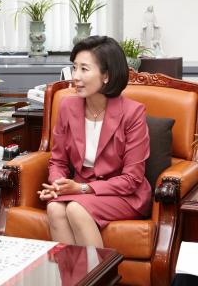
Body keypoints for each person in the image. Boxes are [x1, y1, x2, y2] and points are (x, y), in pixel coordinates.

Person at [38, 35, 151, 248]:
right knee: (54, 208)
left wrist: (80, 189)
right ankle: (72, 280)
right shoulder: (67, 106)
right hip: (79, 190)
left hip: (123, 194)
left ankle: (100, 279)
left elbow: (132, 179)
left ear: (106, 75)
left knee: (76, 209)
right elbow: (58, 161)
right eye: (74, 68)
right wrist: (58, 184)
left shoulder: (133, 113)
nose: (75, 77)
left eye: (84, 69)